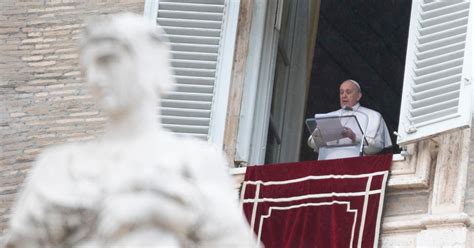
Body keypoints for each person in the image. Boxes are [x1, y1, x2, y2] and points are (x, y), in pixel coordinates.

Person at [5, 13, 257, 247]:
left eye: (107, 60)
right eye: (87, 68)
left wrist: (161, 210)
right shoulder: (57, 165)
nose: (94, 77)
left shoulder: (195, 160)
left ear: (149, 63)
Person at [308, 79, 392, 160]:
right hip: (328, 164)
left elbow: (377, 146)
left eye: (348, 92)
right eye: (341, 92)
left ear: (358, 96)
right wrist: (320, 136)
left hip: (356, 165)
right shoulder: (330, 116)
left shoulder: (372, 116)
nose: (344, 95)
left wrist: (354, 137)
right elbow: (312, 143)